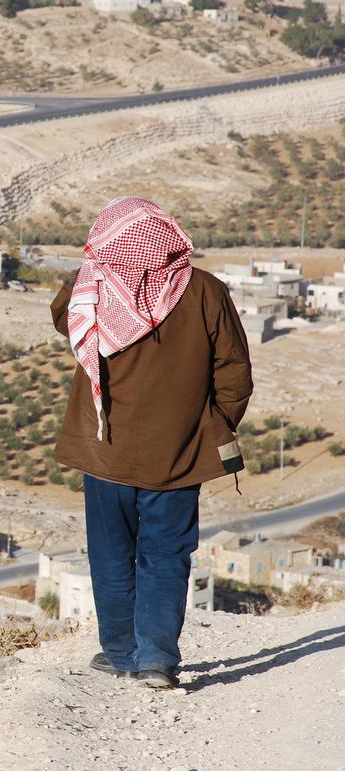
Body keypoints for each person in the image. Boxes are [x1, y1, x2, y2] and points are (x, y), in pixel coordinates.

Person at [51, 196, 253, 689]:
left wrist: (93, 269)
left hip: (105, 453)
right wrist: (211, 425)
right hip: (179, 453)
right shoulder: (206, 291)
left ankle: (121, 653)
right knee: (166, 554)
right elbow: (235, 373)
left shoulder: (91, 290)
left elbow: (62, 319)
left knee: (110, 553)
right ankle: (157, 660)